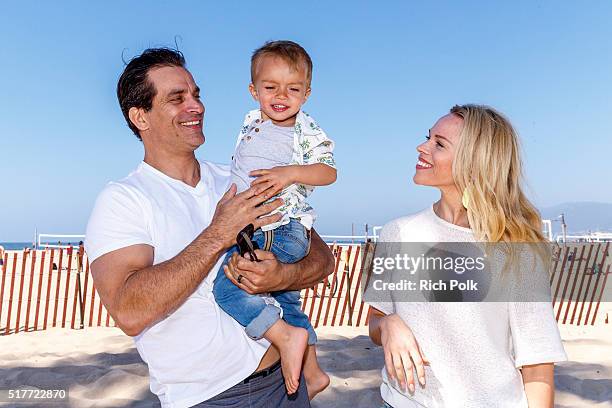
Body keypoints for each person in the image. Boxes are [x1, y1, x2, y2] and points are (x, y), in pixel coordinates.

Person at [85, 48, 335, 408]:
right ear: (140, 116)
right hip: (210, 399)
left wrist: (281, 275)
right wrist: (219, 233)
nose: (196, 106)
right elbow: (128, 310)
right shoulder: (123, 199)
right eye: (177, 98)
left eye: (196, 95)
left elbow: (322, 258)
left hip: (285, 384)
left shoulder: (239, 176)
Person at [367, 104, 567, 407]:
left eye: (439, 144)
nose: (422, 147)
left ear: (474, 163)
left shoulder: (514, 248)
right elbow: (375, 320)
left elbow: (538, 361)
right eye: (428, 137)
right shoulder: (397, 233)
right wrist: (390, 324)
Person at [213, 40, 335, 398]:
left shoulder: (305, 129)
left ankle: (284, 337)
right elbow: (243, 167)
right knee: (287, 301)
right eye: (270, 87)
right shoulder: (251, 121)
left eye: (293, 89)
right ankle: (312, 372)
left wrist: (290, 173)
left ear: (307, 93)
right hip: (256, 224)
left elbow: (329, 173)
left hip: (279, 228)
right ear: (253, 91)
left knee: (226, 288)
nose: (282, 96)